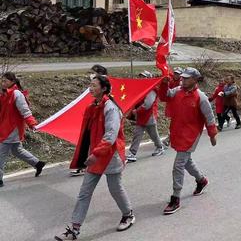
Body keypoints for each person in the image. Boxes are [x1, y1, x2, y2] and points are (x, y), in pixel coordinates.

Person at [55, 75, 134, 240]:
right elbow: (88, 134)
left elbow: (111, 135)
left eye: (94, 85)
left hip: (110, 155)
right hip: (96, 155)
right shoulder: (93, 106)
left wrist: (96, 153)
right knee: (84, 192)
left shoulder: (110, 107)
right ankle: (75, 228)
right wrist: (88, 153)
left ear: (104, 88)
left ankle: (128, 215)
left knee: (115, 188)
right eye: (90, 85)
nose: (90, 88)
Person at [158, 67, 217, 215]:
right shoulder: (177, 90)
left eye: (186, 78)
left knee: (178, 165)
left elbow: (209, 117)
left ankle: (175, 198)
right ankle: (201, 180)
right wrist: (164, 84)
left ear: (195, 80)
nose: (183, 79)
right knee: (186, 161)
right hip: (177, 131)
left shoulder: (201, 97)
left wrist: (212, 134)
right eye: (182, 77)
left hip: (191, 135)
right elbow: (165, 97)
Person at [0, 72, 45, 188]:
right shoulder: (5, 94)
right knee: (16, 150)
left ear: (12, 82)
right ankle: (37, 163)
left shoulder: (16, 94)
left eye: (5, 81)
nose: (2, 83)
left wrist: (32, 124)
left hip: (11, 129)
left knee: (1, 153)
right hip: (6, 127)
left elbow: (25, 111)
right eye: (2, 80)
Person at [70, 64, 110, 177]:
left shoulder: (109, 104)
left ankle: (92, 164)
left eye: (93, 72)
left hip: (102, 126)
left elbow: (111, 134)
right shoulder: (94, 99)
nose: (91, 88)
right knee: (86, 142)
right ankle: (85, 165)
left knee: (115, 184)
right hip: (93, 123)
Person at [126, 71, 164, 163]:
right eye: (140, 76)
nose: (141, 78)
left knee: (153, 134)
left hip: (149, 116)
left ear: (149, 78)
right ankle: (132, 153)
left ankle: (160, 147)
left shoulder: (151, 90)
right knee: (137, 134)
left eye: (143, 77)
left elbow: (148, 104)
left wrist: (136, 111)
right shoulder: (142, 89)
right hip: (141, 116)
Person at [162, 67, 184, 148]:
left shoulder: (183, 83)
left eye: (178, 73)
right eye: (175, 73)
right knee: (173, 123)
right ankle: (172, 137)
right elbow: (167, 92)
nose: (176, 75)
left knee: (177, 123)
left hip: (180, 107)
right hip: (172, 105)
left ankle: (170, 138)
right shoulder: (171, 81)